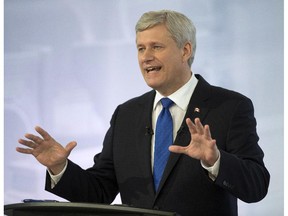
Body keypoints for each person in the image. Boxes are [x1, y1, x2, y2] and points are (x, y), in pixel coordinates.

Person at [16, 10, 270, 216]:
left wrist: (215, 161)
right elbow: (99, 192)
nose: (146, 57)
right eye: (140, 49)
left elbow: (257, 186)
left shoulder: (230, 106)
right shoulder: (126, 114)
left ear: (185, 50)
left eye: (156, 47)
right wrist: (61, 168)